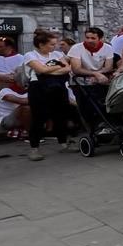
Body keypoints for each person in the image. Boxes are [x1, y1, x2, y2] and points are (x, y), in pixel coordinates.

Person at [23, 29, 73, 161]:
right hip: (39, 89)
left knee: (61, 115)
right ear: (41, 44)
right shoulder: (30, 55)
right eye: (51, 44)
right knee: (39, 117)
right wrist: (57, 67)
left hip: (58, 87)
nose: (54, 47)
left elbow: (67, 68)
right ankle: (34, 149)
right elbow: (40, 70)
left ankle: (64, 143)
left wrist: (49, 71)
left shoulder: (56, 53)